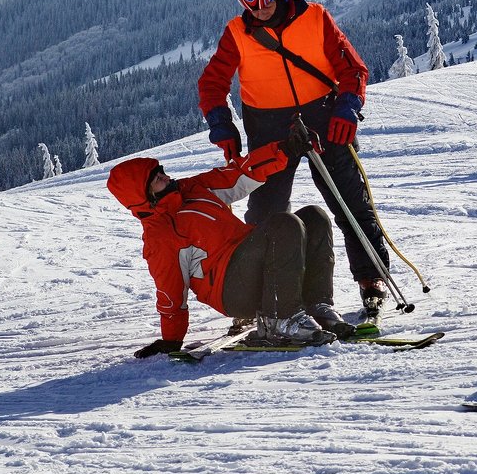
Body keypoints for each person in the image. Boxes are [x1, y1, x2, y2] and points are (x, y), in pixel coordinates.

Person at [198, 0, 392, 318]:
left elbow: (353, 69)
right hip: (268, 127)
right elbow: (212, 84)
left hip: (325, 117)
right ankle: (256, 296)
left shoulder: (316, 18)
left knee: (350, 202)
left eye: (267, 3)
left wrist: (347, 108)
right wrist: (222, 126)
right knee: (266, 213)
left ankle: (372, 280)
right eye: (252, 6)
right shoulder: (238, 33)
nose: (261, 11)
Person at [109, 124, 359, 359]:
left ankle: (317, 305)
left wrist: (284, 150)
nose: (164, 177)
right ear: (142, 195)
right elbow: (171, 292)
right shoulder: (160, 235)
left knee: (314, 216)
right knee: (283, 225)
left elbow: (239, 173)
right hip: (230, 290)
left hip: (249, 259)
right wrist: (171, 339)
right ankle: (278, 320)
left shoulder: (191, 189)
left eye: (161, 171)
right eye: (155, 179)